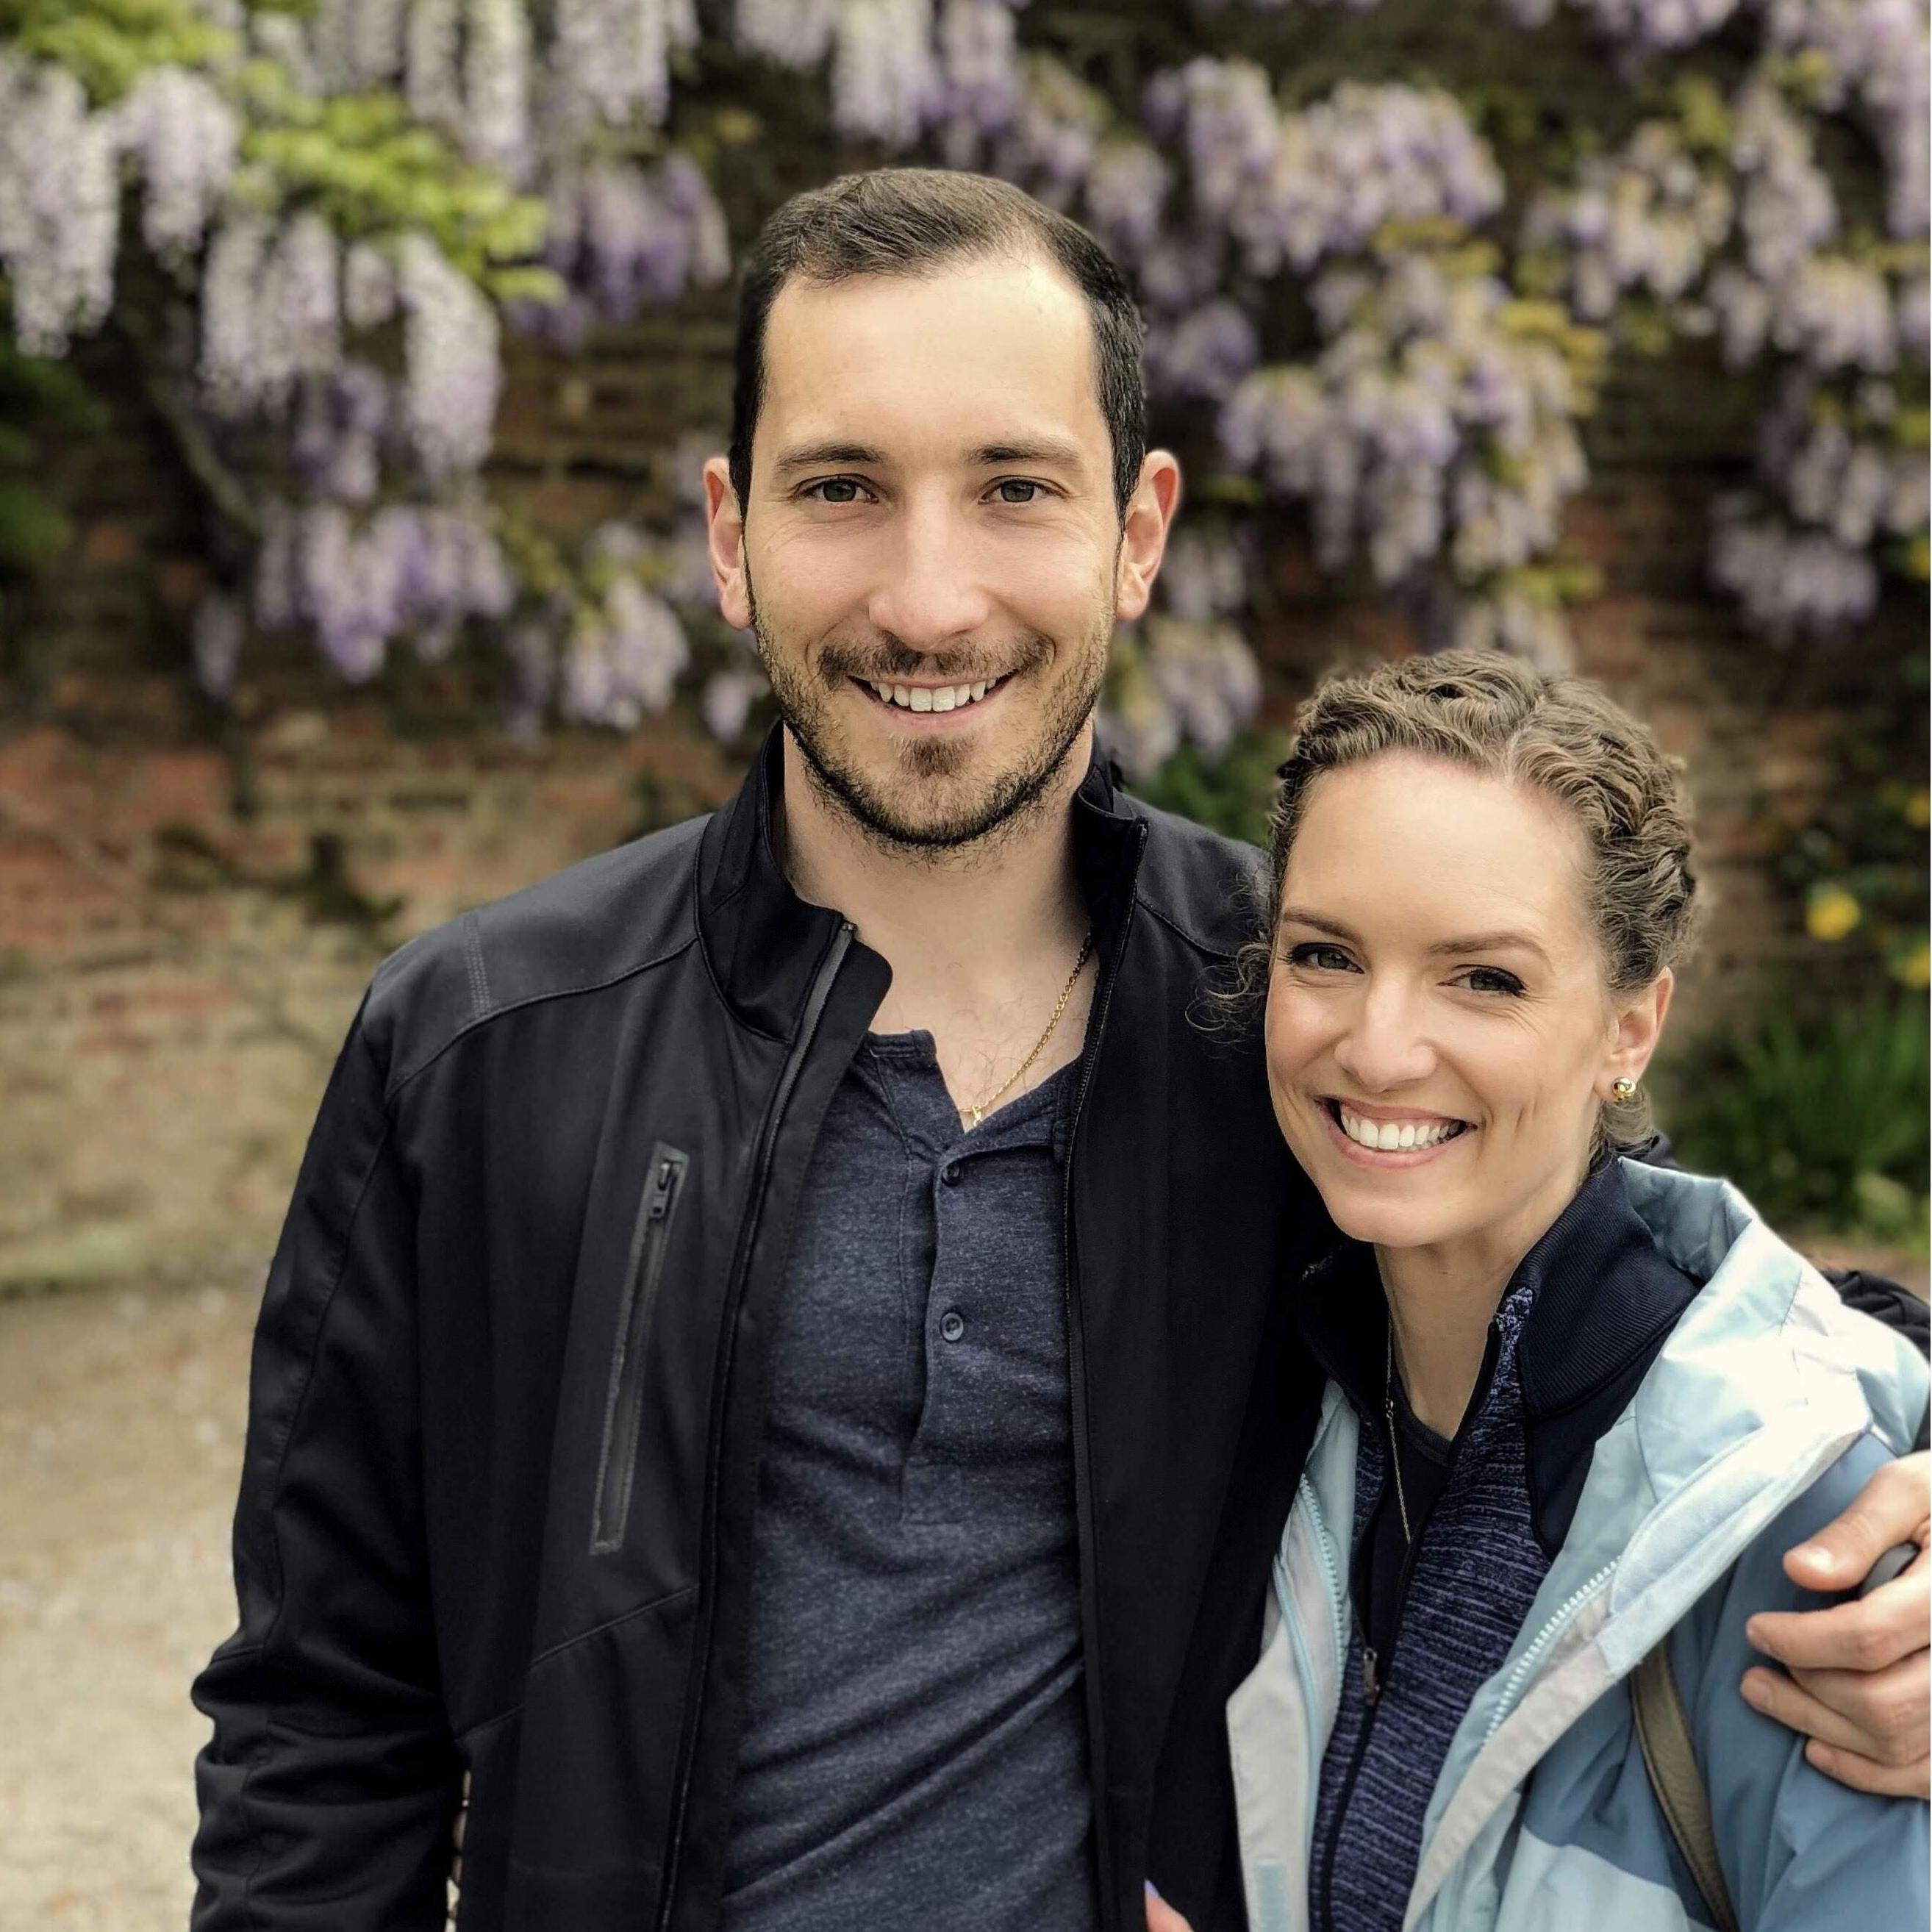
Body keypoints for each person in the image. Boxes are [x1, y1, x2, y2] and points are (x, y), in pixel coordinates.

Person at [188, 171, 1931, 1932]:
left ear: (1138, 531)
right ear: (728, 539)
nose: (929, 603)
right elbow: (324, 1731)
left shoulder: (1302, 1022)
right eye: (843, 491)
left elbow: (1646, 1306)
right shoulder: (483, 1048)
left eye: (1014, 489)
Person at [1142, 654, 1930, 1932]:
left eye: (1486, 978)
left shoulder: (1812, 1527)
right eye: (1327, 955)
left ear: (1632, 1029)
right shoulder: (1275, 1395)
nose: (1381, 1048)